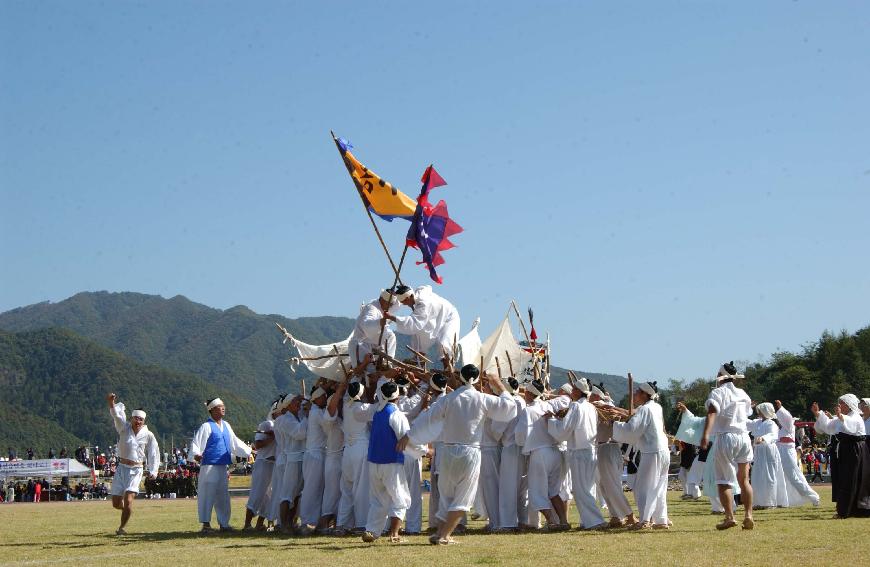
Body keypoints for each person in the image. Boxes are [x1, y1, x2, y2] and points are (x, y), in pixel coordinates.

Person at [400, 364, 517, 545]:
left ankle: (440, 532)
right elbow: (509, 407)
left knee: (446, 495)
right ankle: (444, 535)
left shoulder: (448, 399)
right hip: (470, 451)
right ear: (478, 380)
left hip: (447, 451)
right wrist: (497, 383)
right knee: (463, 496)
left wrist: (409, 435)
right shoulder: (482, 398)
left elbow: (428, 417)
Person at [547, 378, 608, 530]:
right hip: (590, 450)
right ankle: (587, 521)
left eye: (574, 389)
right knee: (588, 488)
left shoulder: (575, 406)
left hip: (580, 452)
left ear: (578, 392)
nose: (571, 391)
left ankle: (595, 521)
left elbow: (565, 429)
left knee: (582, 490)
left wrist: (552, 420)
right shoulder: (591, 407)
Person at [699, 362, 754, 530]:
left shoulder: (718, 392)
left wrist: (706, 434)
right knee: (744, 480)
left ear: (720, 376)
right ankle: (748, 515)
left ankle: (729, 517)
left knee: (723, 482)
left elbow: (712, 412)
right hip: (744, 437)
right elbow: (747, 413)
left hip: (726, 437)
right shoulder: (742, 393)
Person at [609, 380, 670, 530]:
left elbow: (632, 430)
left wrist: (615, 424)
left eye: (637, 392)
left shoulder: (644, 409)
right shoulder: (656, 407)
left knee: (643, 487)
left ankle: (645, 520)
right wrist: (622, 414)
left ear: (644, 394)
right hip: (663, 451)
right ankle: (661, 519)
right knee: (659, 487)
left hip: (652, 452)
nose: (635, 394)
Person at [513, 378, 570, 531]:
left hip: (539, 453)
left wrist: (523, 443)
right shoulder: (548, 405)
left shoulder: (528, 410)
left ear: (530, 394)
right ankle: (563, 521)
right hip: (555, 452)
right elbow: (565, 400)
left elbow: (519, 435)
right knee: (554, 491)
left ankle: (551, 521)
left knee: (537, 491)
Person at [190, 398, 252, 532]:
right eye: (219, 406)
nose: (223, 408)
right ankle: (206, 524)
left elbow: (234, 442)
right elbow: (197, 443)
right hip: (209, 466)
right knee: (207, 494)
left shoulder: (226, 425)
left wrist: (248, 451)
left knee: (222, 495)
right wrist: (196, 454)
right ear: (212, 410)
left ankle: (224, 524)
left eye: (223, 406)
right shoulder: (206, 426)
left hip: (222, 465)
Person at [362, 382, 412, 544]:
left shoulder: (377, 412)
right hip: (391, 461)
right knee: (400, 497)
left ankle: (372, 530)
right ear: (397, 396)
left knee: (378, 499)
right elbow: (405, 437)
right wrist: (423, 450)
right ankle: (394, 534)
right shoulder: (396, 414)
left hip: (374, 460)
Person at [106, 393, 159, 535]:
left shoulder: (148, 435)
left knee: (129, 499)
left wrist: (153, 471)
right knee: (116, 503)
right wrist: (111, 403)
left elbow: (153, 453)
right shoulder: (124, 428)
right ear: (131, 418)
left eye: (141, 419)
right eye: (136, 418)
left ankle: (121, 528)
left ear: (144, 421)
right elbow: (116, 417)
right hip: (122, 468)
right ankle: (126, 510)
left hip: (136, 469)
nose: (138, 421)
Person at [812, 394, 869, 518]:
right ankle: (847, 510)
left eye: (842, 403)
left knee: (852, 478)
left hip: (855, 450)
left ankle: (850, 510)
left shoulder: (855, 417)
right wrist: (818, 414)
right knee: (845, 478)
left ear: (849, 405)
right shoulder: (842, 418)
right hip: (845, 450)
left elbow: (852, 426)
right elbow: (828, 427)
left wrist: (840, 416)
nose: (839, 405)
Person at [383, 285, 461, 366]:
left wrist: (391, 317)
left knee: (444, 343)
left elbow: (413, 323)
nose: (404, 305)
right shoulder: (419, 292)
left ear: (408, 298)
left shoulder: (423, 305)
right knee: (420, 333)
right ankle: (419, 357)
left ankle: (448, 367)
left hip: (449, 317)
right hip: (436, 316)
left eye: (404, 302)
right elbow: (426, 287)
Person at [336, 381, 376, 534]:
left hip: (348, 450)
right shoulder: (362, 408)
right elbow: (379, 405)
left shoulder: (346, 406)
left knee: (346, 488)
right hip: (360, 449)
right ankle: (361, 523)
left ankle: (342, 523)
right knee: (361, 488)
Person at [773, 400, 820, 507]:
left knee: (794, 477)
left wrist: (780, 408)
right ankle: (784, 500)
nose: (779, 421)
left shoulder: (789, 426)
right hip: (781, 452)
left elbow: (787, 418)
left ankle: (814, 497)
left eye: (780, 418)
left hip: (787, 452)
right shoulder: (781, 429)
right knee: (783, 477)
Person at [746, 403, 787, 508]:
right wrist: (746, 408)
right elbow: (745, 422)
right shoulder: (758, 422)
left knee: (769, 475)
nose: (758, 412)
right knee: (758, 476)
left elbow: (773, 434)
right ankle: (759, 502)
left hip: (768, 450)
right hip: (759, 451)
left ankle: (770, 502)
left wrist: (763, 438)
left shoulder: (771, 424)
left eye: (760, 410)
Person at [243, 413, 277, 531]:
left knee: (269, 496)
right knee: (257, 494)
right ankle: (247, 524)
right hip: (263, 463)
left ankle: (260, 524)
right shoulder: (267, 424)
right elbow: (257, 445)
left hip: (275, 465)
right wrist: (273, 437)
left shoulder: (281, 425)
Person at [349, 289, 399, 367]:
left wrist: (401, 291)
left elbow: (397, 305)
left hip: (374, 344)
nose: (391, 306)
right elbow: (367, 325)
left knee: (390, 334)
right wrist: (379, 322)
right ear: (382, 300)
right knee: (362, 374)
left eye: (392, 304)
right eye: (390, 304)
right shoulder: (372, 308)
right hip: (362, 343)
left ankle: (387, 362)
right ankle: (385, 362)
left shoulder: (383, 306)